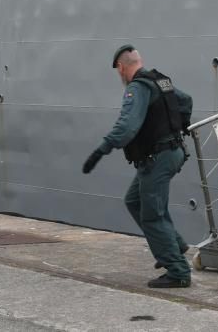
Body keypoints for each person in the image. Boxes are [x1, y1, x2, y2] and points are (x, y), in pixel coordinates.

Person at [82, 45, 193, 288]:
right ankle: (174, 245)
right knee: (134, 200)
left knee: (153, 215)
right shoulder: (160, 81)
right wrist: (175, 128)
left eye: (118, 71)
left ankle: (178, 271)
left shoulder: (137, 88)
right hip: (172, 152)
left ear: (121, 67)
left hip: (158, 158)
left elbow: (127, 126)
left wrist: (101, 150)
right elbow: (185, 102)